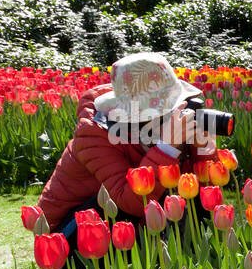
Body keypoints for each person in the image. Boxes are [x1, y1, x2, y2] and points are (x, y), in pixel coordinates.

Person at [38, 52, 217, 255]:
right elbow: (129, 202)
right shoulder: (95, 133)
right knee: (111, 204)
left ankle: (175, 258)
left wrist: (204, 147)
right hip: (68, 233)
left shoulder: (172, 123)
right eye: (165, 108)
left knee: (184, 189)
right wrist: (167, 147)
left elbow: (206, 186)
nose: (173, 112)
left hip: (134, 216)